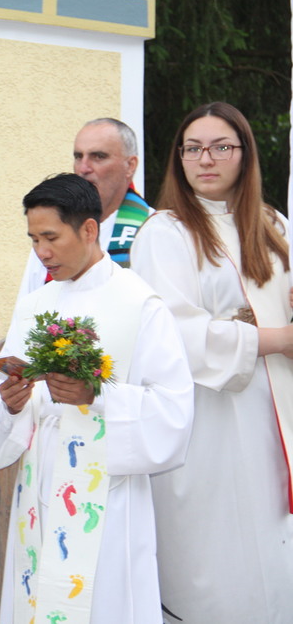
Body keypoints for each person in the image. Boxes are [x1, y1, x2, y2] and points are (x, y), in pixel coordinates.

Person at [0, 174, 193, 623]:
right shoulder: (34, 305)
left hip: (105, 492)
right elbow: (11, 409)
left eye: (50, 237)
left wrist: (96, 395)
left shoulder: (140, 304)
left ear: (88, 229)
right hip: (41, 483)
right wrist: (13, 403)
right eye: (34, 239)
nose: (41, 252)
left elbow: (173, 408)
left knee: (101, 603)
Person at [131, 102, 293, 622]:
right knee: (219, 550)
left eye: (221, 147)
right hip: (210, 411)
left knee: (275, 541)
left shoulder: (273, 224)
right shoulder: (166, 232)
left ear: (245, 154)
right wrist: (277, 339)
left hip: (277, 404)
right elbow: (174, 331)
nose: (206, 159)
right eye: (193, 148)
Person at [17, 118, 152, 298]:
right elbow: (29, 306)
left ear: (130, 166)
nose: (83, 168)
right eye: (78, 157)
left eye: (98, 156)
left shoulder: (152, 230)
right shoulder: (50, 234)